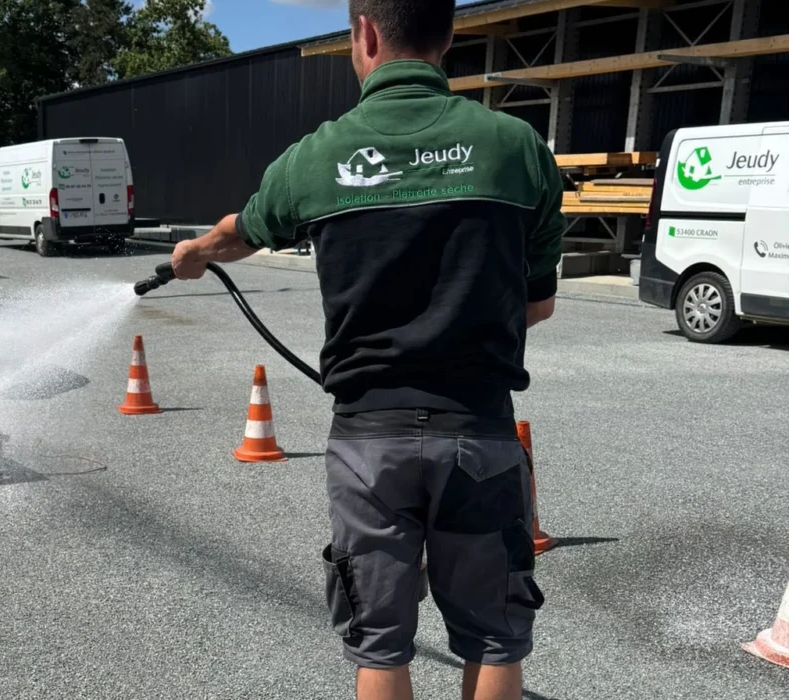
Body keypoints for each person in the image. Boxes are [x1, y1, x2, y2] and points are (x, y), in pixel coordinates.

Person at [169, 1, 565, 699]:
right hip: (479, 429)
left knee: (380, 648)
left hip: (367, 440)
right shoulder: (515, 147)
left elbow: (242, 231)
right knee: (495, 637)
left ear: (365, 32)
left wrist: (195, 252)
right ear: (449, 34)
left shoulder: (316, 157)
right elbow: (538, 304)